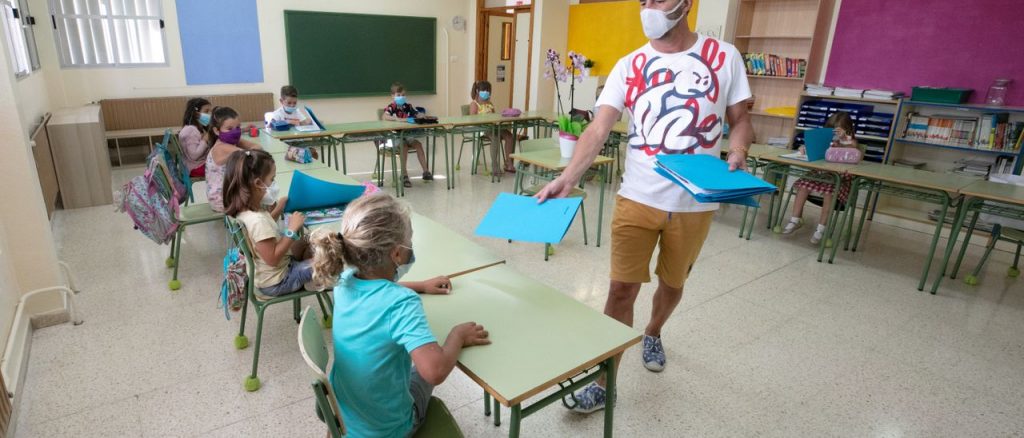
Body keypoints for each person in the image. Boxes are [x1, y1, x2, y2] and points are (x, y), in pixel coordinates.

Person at [535, 0, 753, 413]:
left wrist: (738, 148)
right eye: (644, 0)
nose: (648, 6)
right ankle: (605, 381)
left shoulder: (724, 57)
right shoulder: (628, 64)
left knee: (672, 283)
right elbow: (599, 127)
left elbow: (740, 118)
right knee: (620, 289)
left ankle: (653, 331)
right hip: (637, 197)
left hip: (694, 204)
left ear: (686, 4)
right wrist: (569, 177)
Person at [309, 194, 490, 437]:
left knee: (412, 369)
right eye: (409, 241)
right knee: (424, 371)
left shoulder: (343, 280)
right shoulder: (401, 304)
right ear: (396, 254)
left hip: (344, 417)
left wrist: (421, 285)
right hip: (389, 429)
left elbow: (376, 292)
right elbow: (435, 371)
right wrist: (457, 336)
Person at [223, 149, 316, 296]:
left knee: (312, 240)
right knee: (328, 260)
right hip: (279, 281)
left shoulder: (248, 211)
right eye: (272, 179)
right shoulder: (257, 220)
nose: (274, 183)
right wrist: (291, 230)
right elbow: (272, 258)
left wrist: (279, 208)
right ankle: (314, 281)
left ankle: (309, 274)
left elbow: (263, 233)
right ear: (258, 183)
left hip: (271, 273)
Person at [782, 112, 858, 244]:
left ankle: (821, 228)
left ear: (848, 130)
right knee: (803, 185)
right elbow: (814, 150)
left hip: (839, 179)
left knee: (829, 193)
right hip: (820, 175)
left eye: (837, 131)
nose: (834, 134)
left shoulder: (850, 141)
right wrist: (804, 149)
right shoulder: (826, 141)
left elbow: (853, 147)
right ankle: (795, 219)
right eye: (831, 130)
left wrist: (843, 140)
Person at [204, 106, 261, 212]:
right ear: (217, 131)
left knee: (261, 189)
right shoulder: (222, 147)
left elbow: (257, 148)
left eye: (238, 127)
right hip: (222, 200)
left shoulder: (228, 142)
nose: (235, 132)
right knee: (262, 193)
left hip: (223, 194)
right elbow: (252, 154)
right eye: (229, 129)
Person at [382, 82, 432, 187]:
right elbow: (384, 116)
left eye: (403, 95)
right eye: (398, 95)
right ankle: (404, 175)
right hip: (395, 137)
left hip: (408, 135)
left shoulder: (408, 106)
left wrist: (422, 115)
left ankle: (426, 171)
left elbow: (416, 113)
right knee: (403, 147)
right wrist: (398, 119)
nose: (401, 97)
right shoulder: (392, 107)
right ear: (393, 96)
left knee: (418, 145)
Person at [470, 80, 517, 173]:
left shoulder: (490, 103)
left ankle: (509, 163)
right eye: (484, 90)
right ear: (477, 91)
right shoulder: (474, 104)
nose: (486, 93)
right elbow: (472, 120)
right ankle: (494, 165)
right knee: (495, 139)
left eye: (488, 91)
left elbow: (494, 115)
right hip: (483, 129)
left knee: (509, 136)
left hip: (494, 127)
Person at [178, 97, 212, 178]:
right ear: (196, 113)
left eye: (210, 111)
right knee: (225, 167)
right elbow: (194, 155)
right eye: (206, 111)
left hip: (195, 165)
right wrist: (204, 140)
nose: (209, 115)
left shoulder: (195, 128)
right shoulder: (190, 130)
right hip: (195, 168)